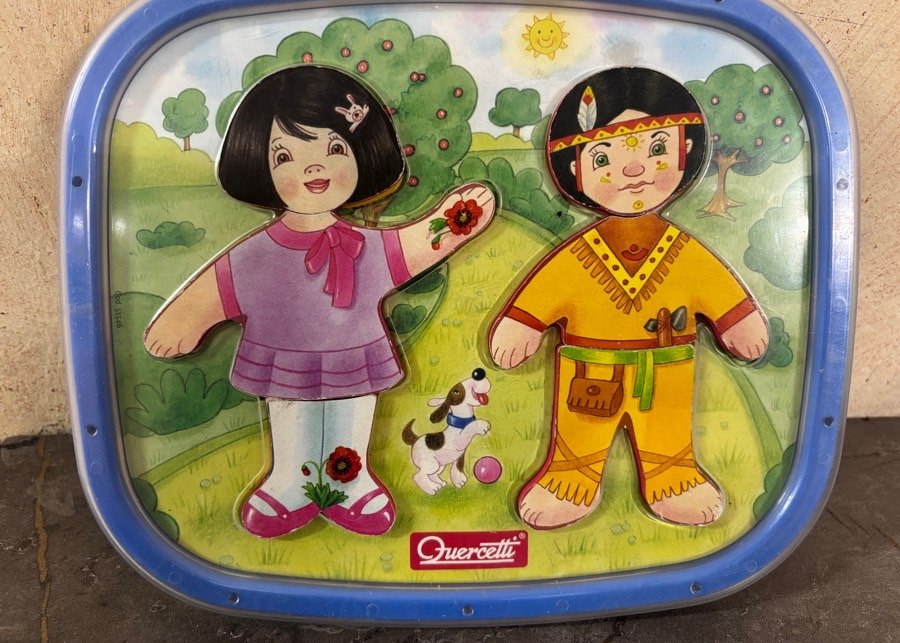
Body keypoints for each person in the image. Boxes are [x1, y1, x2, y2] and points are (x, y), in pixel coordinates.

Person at [145, 65, 494, 537]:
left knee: (352, 412)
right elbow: (223, 285)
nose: (314, 169)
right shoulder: (257, 252)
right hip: (284, 352)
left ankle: (351, 480)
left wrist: (456, 220)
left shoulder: (365, 246)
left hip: (354, 349)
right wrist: (186, 319)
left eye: (334, 149)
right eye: (285, 155)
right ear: (259, 165)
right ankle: (291, 481)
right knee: (292, 412)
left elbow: (411, 246)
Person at [489, 67, 768, 530]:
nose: (634, 170)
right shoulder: (577, 254)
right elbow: (548, 288)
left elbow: (716, 286)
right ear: (576, 170)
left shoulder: (684, 251)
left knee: (668, 433)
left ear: (685, 152)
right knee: (579, 436)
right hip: (590, 369)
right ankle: (569, 480)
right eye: (604, 158)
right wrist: (524, 323)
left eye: (657, 150)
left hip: (666, 368)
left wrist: (737, 320)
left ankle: (673, 477)